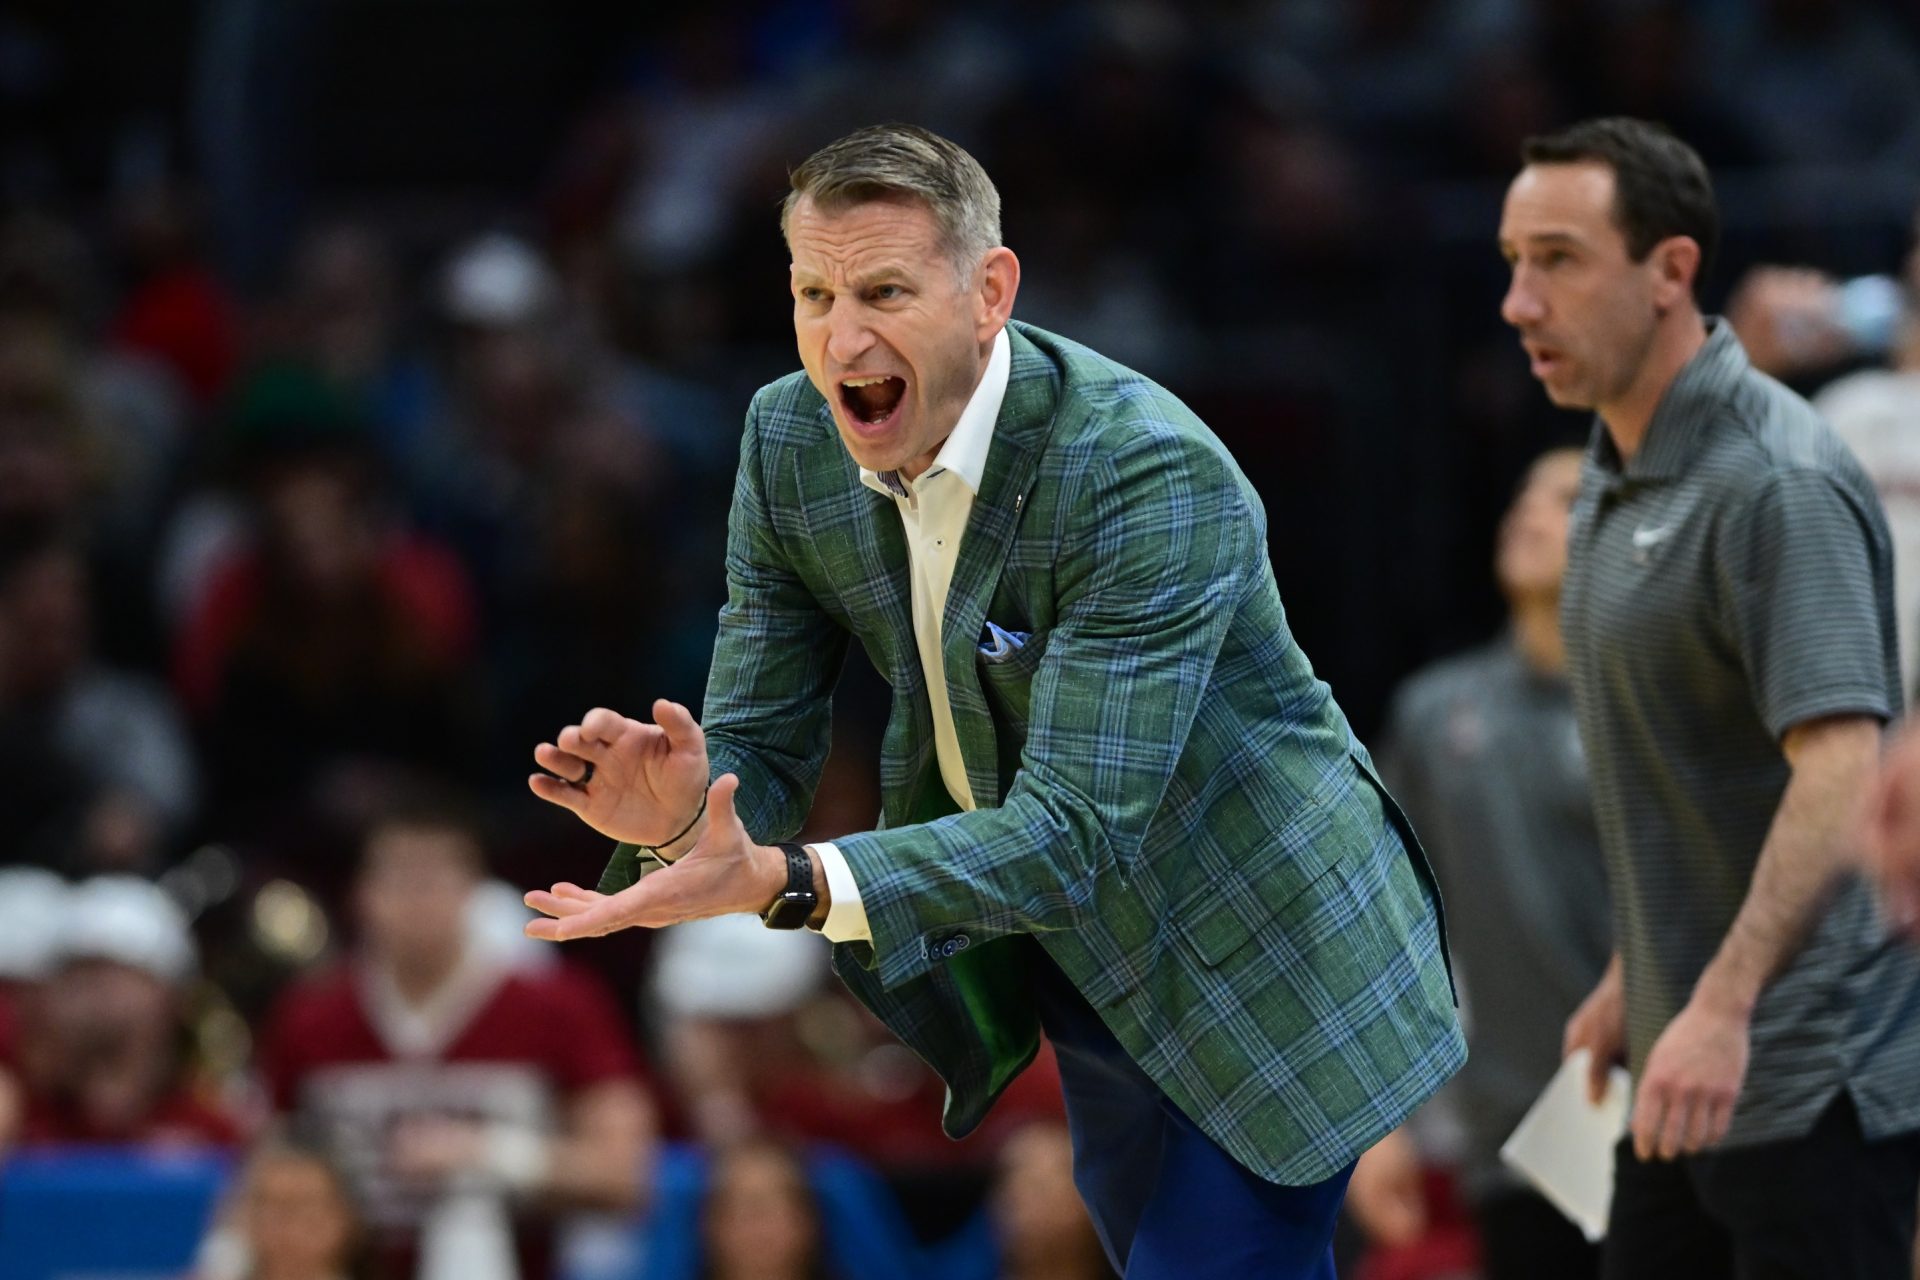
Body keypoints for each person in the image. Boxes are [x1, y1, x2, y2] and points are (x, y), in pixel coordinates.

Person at [520, 123, 1464, 1280]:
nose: (842, 337)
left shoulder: (1144, 471)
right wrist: (684, 816)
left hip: (1262, 943)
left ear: (989, 292)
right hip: (1076, 958)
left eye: (883, 290)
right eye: (814, 292)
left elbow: (1075, 830)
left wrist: (795, 880)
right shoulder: (788, 441)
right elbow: (760, 744)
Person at [1498, 115, 1920, 1278]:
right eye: (1513, 261)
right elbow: (1700, 771)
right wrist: (1638, 978)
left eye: (1560, 260)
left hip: (1805, 1071)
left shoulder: (1776, 478)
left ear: (1672, 270)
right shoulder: (1613, 462)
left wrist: (1723, 1003)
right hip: (1680, 1057)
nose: (1519, 303)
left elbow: (1839, 764)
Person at [1354, 445, 1610, 1280]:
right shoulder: (1436, 714)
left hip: (1660, 1113)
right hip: (1512, 1134)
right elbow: (1383, 918)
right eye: (1525, 496)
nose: (1530, 512)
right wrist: (1379, 1118)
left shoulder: (1656, 705)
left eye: (1566, 498)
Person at [257, 793, 656, 1280]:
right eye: (400, 878)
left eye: (434, 879)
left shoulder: (557, 1006)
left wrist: (491, 1155)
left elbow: (626, 1174)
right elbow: (262, 1173)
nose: (417, 901)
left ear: (473, 890)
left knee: (468, 1220)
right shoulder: (310, 1017)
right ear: (361, 894)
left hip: (505, 1260)